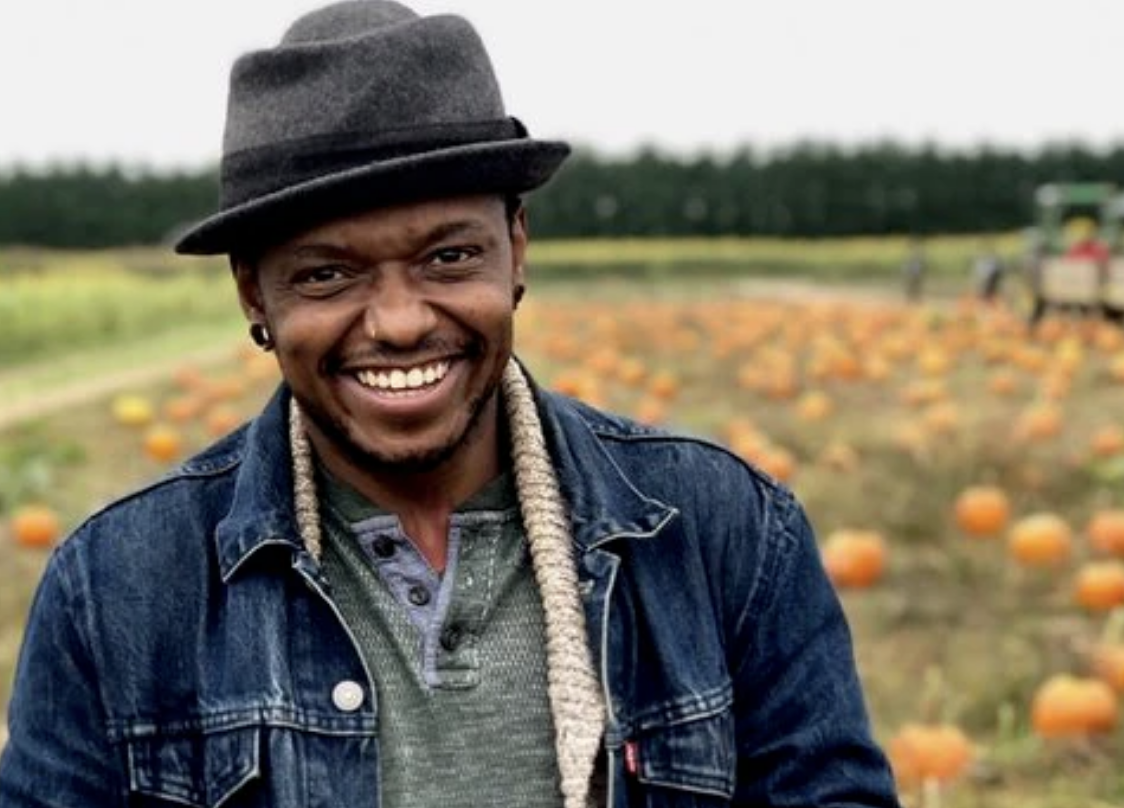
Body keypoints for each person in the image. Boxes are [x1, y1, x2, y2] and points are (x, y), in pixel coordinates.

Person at [0, 2, 901, 806]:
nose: (396, 322)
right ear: (253, 296)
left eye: (448, 258)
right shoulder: (116, 589)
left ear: (516, 248)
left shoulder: (724, 533)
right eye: (326, 274)